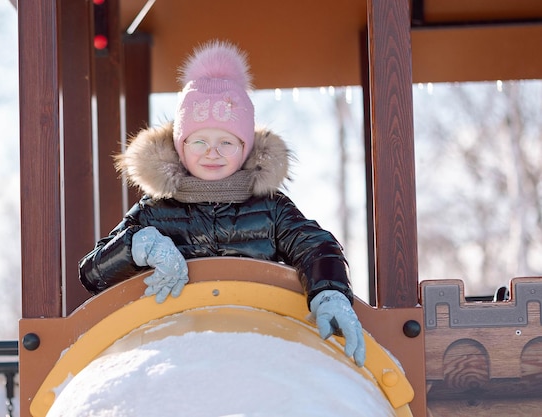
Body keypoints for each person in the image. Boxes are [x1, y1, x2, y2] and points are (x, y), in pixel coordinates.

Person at [78, 40, 366, 367]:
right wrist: (139, 246)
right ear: (180, 145)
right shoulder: (155, 210)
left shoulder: (270, 208)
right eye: (199, 141)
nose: (211, 153)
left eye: (226, 142)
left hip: (260, 343)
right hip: (173, 347)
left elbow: (315, 246)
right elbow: (93, 272)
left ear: (244, 148)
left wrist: (328, 292)